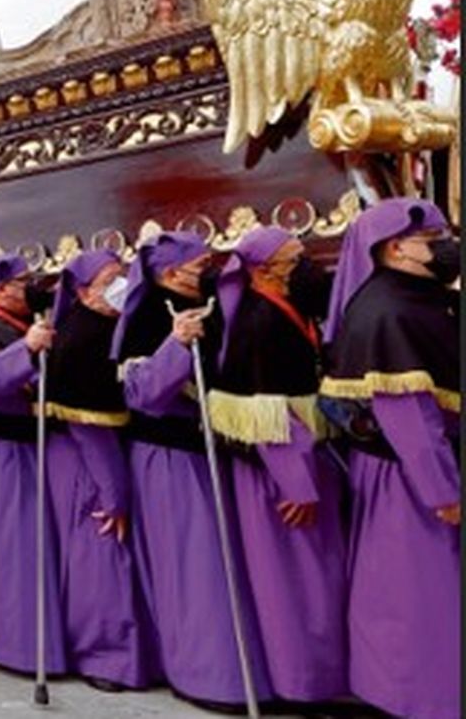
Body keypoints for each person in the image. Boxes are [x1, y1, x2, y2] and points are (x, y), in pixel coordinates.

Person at [113, 231, 271, 710]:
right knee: (196, 566)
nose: (205, 271)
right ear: (169, 272)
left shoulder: (211, 304)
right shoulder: (146, 317)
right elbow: (141, 395)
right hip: (169, 458)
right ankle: (205, 673)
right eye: (198, 265)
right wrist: (176, 346)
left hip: (214, 450)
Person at [320, 198, 459, 719]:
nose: (445, 249)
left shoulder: (414, 296)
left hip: (423, 465)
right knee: (417, 595)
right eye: (433, 241)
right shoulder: (387, 313)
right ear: (397, 248)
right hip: (409, 477)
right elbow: (411, 424)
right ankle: (418, 696)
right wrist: (442, 492)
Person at [211, 227, 348, 705]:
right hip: (282, 474)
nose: (304, 267)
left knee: (322, 576)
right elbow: (266, 414)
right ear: (262, 270)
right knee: (296, 581)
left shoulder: (291, 308)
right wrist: (298, 486)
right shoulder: (258, 322)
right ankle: (303, 684)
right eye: (294, 260)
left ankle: (327, 676)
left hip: (307, 460)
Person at [43, 250, 158, 691]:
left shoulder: (109, 326)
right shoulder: (81, 337)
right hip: (85, 465)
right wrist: (113, 493)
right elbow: (89, 428)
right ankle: (103, 657)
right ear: (84, 291)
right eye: (110, 278)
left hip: (98, 456)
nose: (120, 284)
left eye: (123, 276)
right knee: (100, 557)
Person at [0, 253, 67, 676]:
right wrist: (26, 350)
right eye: (21, 283)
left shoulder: (27, 319)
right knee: (16, 547)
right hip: (2, 448)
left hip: (39, 444)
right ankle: (17, 645)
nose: (29, 289)